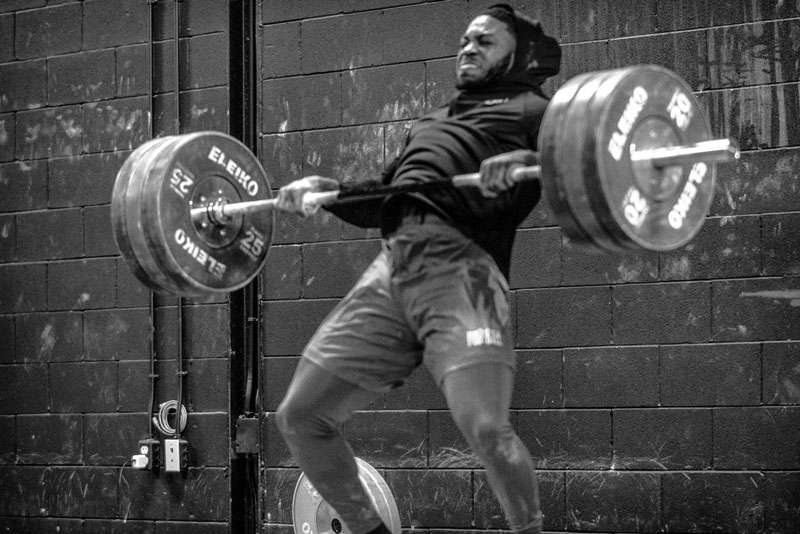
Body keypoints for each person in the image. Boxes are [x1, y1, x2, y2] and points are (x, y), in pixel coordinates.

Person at [274, 4, 561, 534]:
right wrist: (326, 192)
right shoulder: (431, 124)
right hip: (393, 271)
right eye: (465, 41)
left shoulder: (535, 111)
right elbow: (385, 198)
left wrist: (521, 171)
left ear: (517, 54)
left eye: (485, 41)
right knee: (300, 418)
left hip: (463, 272)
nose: (468, 48)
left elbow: (573, 167)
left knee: (486, 429)